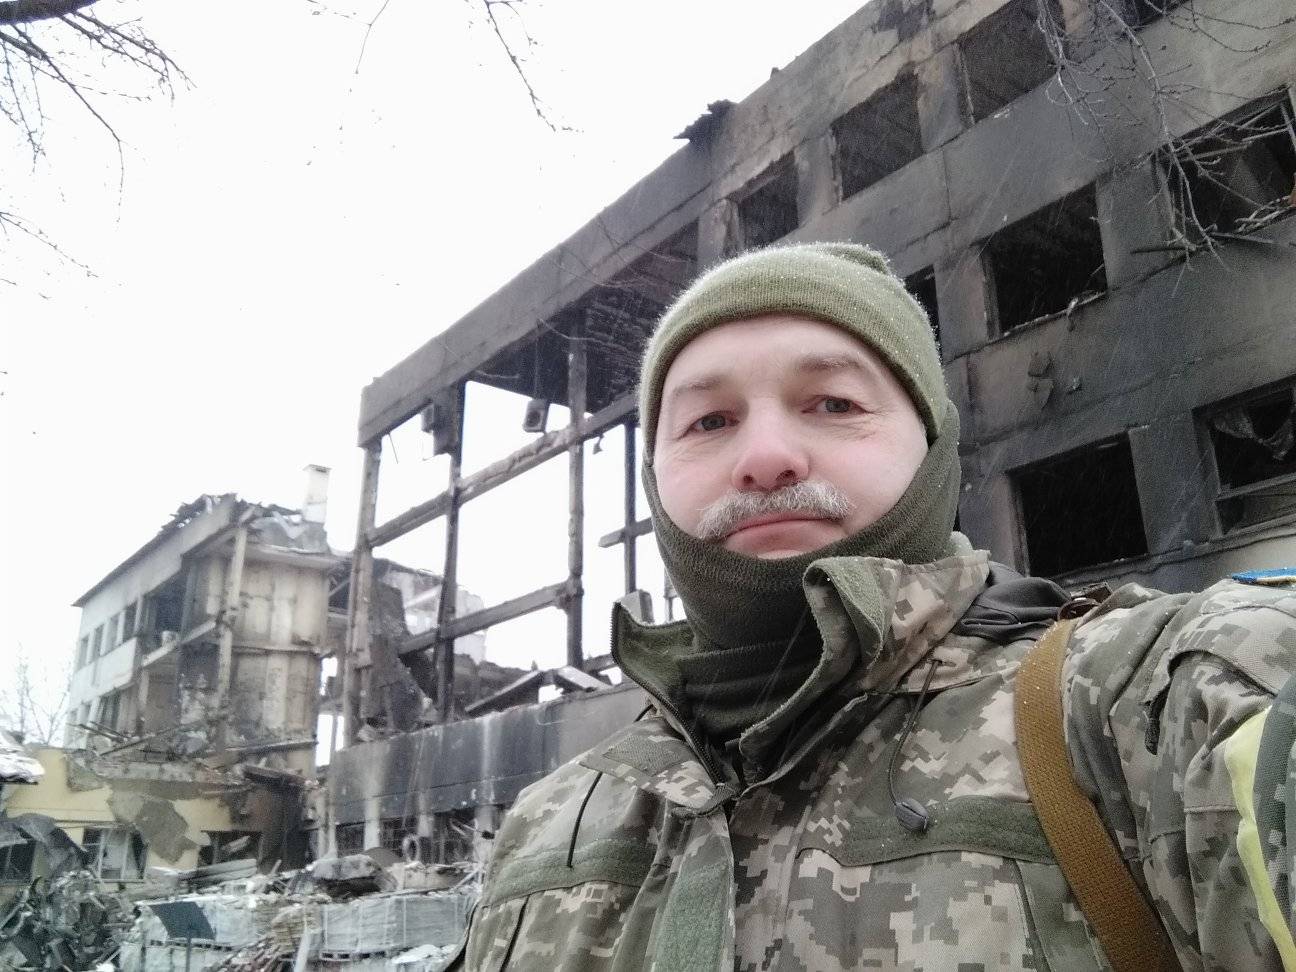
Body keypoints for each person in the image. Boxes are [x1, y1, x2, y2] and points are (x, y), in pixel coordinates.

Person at [454, 242, 1296, 970]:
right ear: (655, 478)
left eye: (833, 404)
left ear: (933, 444)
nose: (766, 457)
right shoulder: (544, 826)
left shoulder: (1151, 703)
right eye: (709, 421)